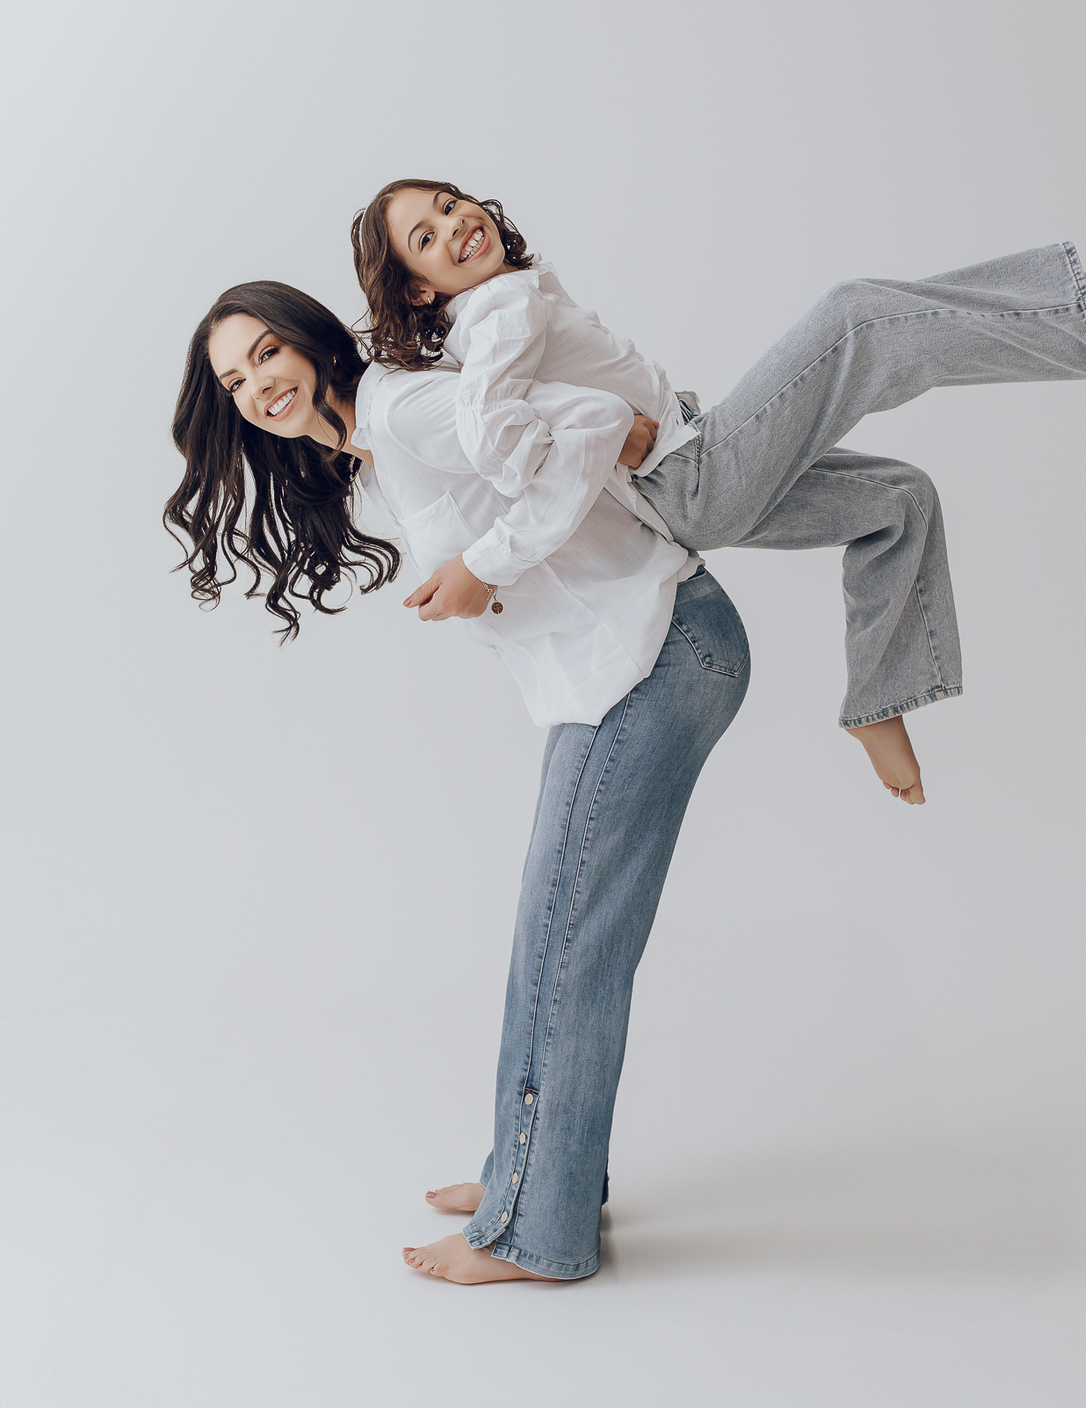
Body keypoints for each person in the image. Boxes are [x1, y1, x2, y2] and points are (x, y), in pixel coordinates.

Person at [165, 280, 751, 1283]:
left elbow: (590, 419)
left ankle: (540, 1229)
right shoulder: (372, 442)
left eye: (266, 353)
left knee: (570, 941)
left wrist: (485, 562)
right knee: (555, 936)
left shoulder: (403, 407)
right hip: (620, 666)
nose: (258, 385)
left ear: (310, 341)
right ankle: (533, 1174)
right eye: (234, 380)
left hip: (656, 649)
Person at [352, 179, 1086, 805]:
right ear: (418, 289)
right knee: (856, 317)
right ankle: (1074, 313)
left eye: (449, 205)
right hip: (691, 472)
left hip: (688, 477)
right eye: (427, 237)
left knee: (898, 501)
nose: (454, 225)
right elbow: (492, 438)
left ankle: (879, 698)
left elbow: (495, 416)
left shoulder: (502, 305)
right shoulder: (498, 311)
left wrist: (595, 433)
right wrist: (595, 435)